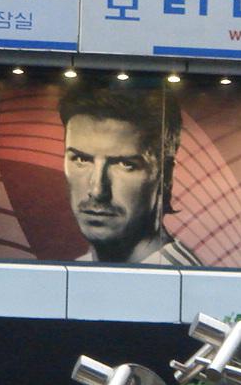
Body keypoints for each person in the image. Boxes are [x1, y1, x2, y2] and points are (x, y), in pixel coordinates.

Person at [59, 85, 200, 266]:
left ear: (166, 175)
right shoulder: (79, 267)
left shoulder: (179, 275)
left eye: (125, 164)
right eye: (81, 159)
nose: (97, 190)